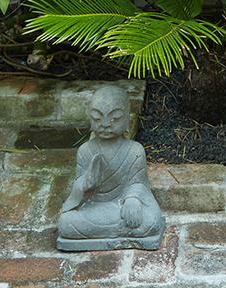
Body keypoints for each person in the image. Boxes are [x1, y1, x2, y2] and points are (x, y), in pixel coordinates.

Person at [57, 83, 165, 251]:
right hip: (95, 208)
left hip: (123, 208)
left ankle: (117, 228)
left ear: (127, 118)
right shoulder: (85, 150)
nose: (106, 124)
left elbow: (139, 184)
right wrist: (85, 184)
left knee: (151, 221)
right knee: (66, 223)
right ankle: (118, 233)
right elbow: (78, 190)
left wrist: (133, 200)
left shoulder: (134, 150)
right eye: (98, 118)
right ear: (90, 118)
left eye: (114, 118)